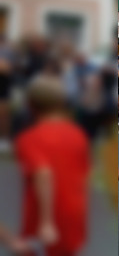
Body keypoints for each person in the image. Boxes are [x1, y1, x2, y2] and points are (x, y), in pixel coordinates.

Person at [15, 76, 91, 256]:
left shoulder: (29, 138)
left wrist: (45, 221)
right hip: (74, 209)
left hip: (44, 214)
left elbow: (42, 173)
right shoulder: (77, 134)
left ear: (31, 105)